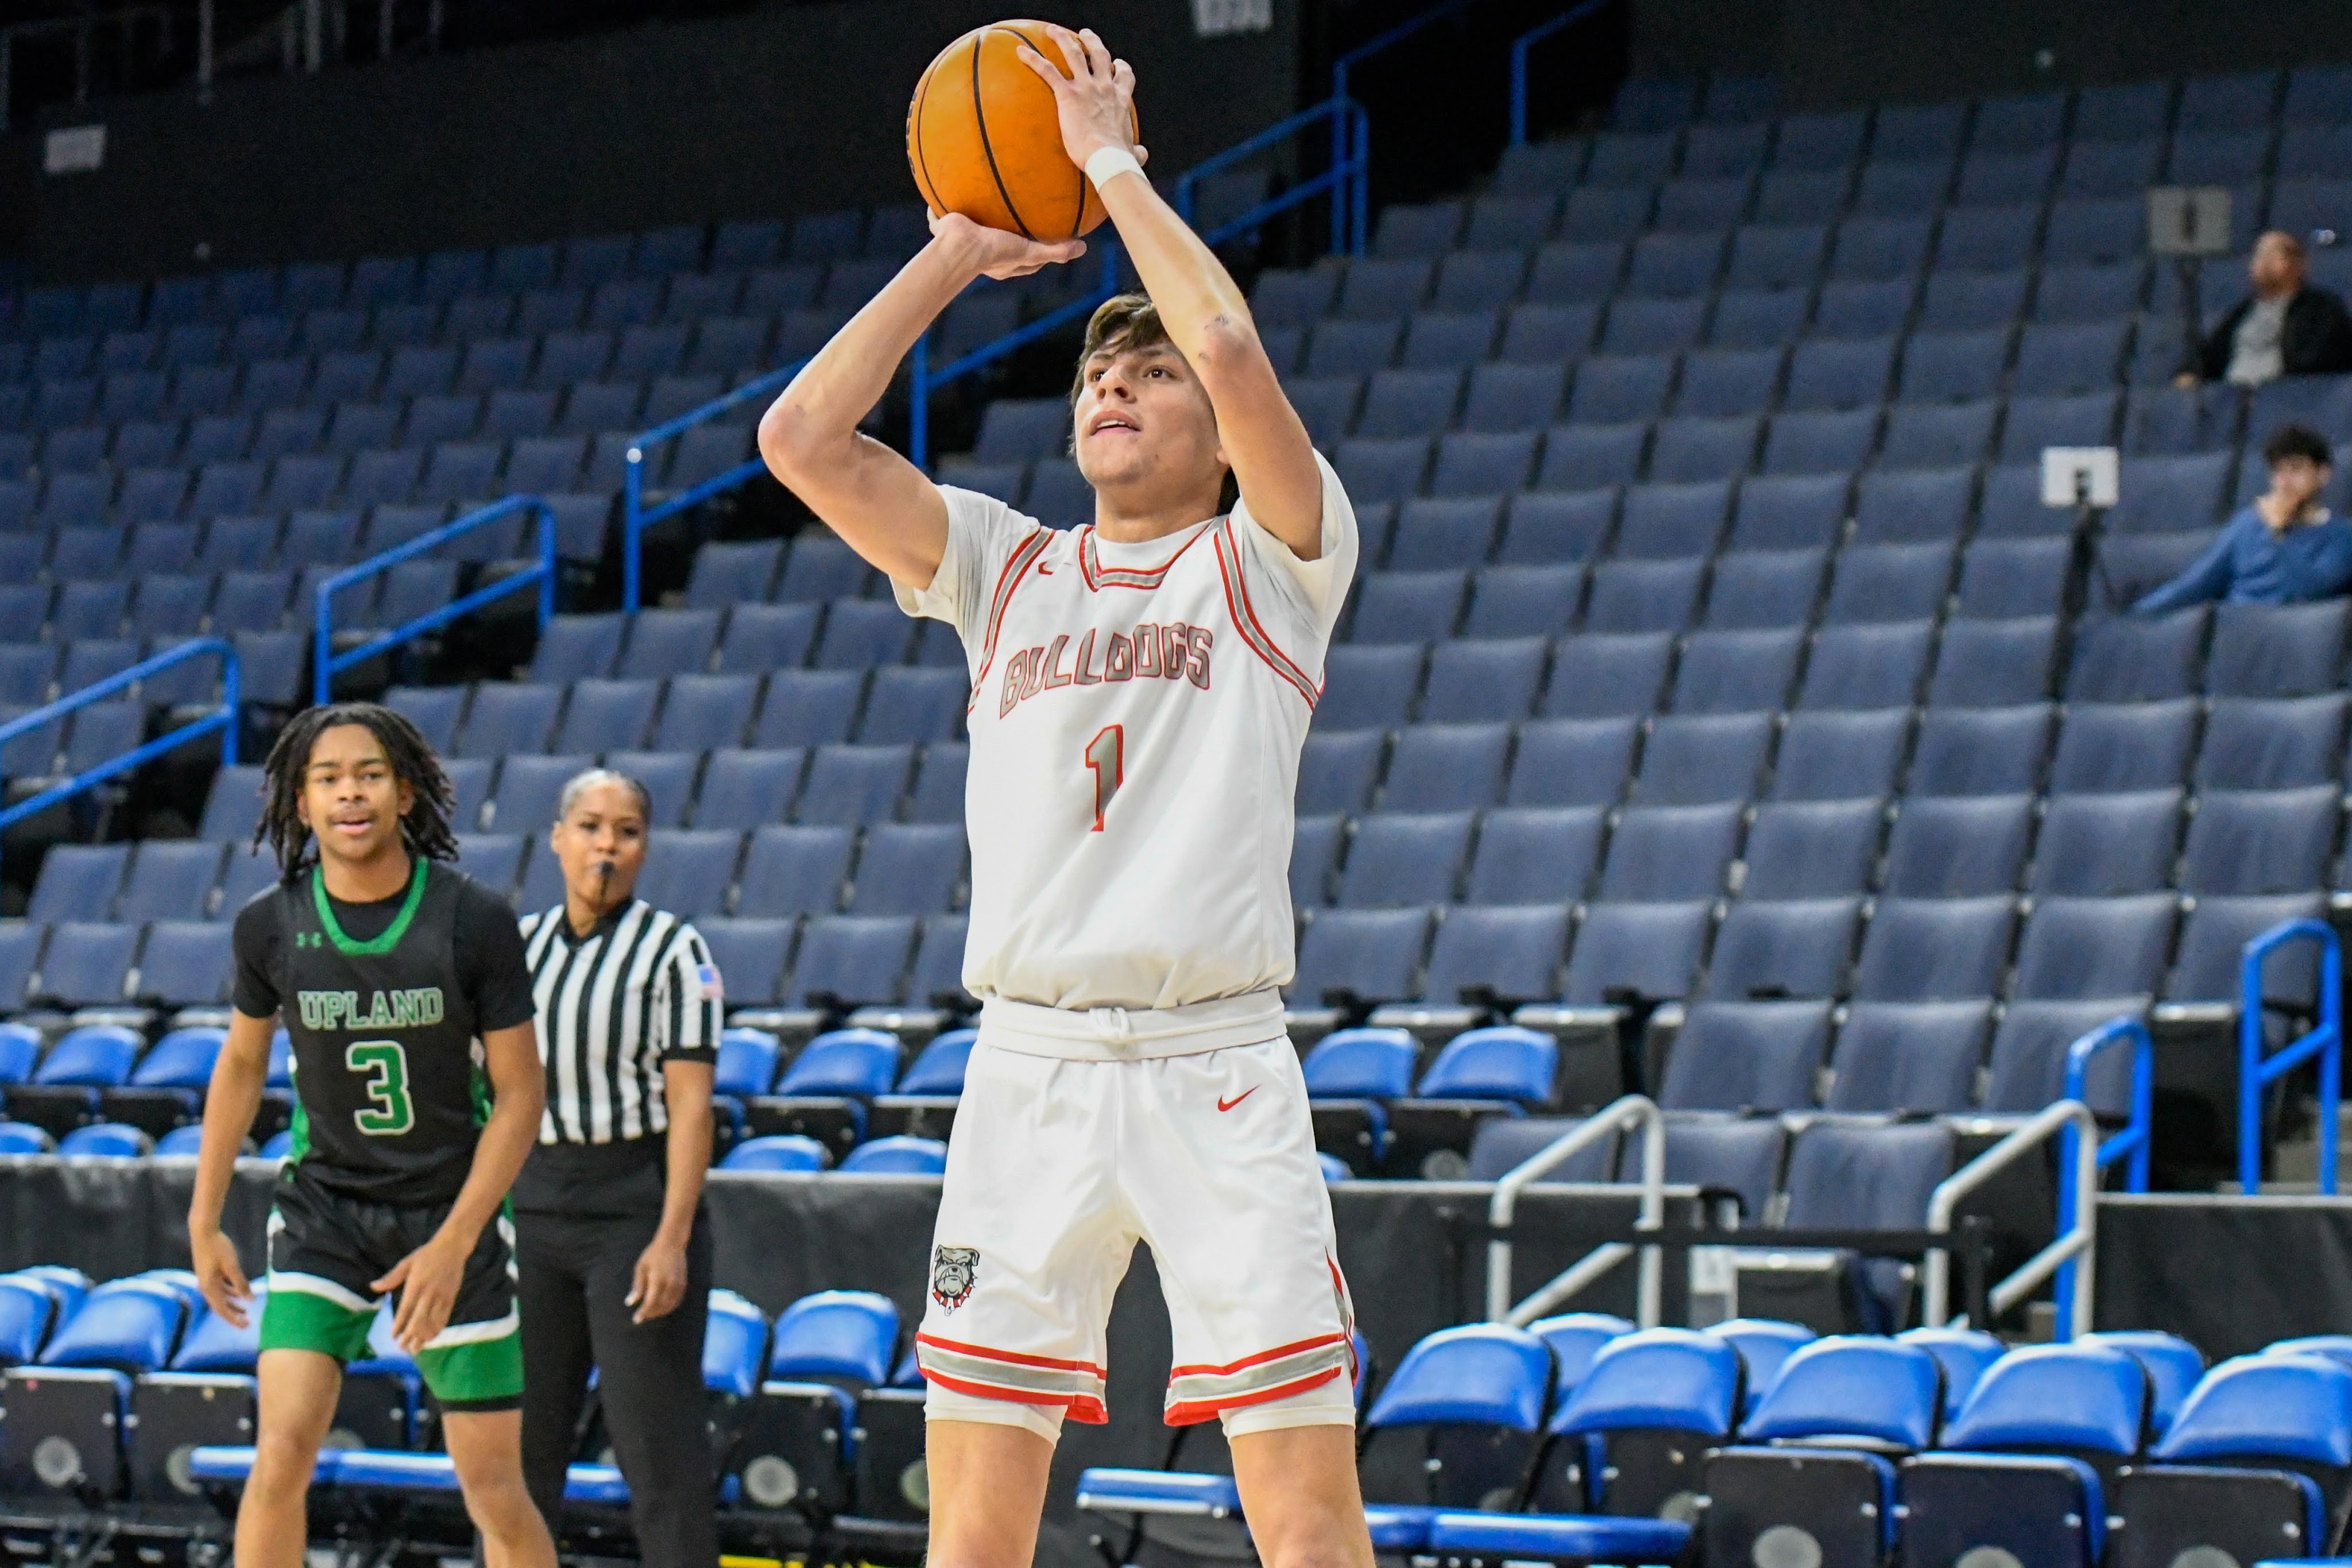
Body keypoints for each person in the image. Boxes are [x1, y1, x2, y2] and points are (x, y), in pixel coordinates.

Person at [757, 25, 1371, 1568]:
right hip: (1027, 1065)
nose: (1117, 384)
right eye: (1099, 370)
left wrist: (1109, 162)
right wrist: (958, 252)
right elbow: (799, 439)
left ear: (1214, 439)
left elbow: (1230, 346)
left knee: (1304, 1519)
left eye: (1148, 373)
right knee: (973, 1529)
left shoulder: (1274, 560)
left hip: (1215, 1061)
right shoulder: (1003, 562)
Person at [186, 702, 556, 1568]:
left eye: (369, 774)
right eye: (328, 778)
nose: (349, 792)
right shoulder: (269, 923)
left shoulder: (473, 918)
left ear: (406, 793)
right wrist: (203, 1218)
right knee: (280, 1453)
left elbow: (521, 1093)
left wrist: (456, 1242)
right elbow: (240, 1065)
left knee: (495, 1489)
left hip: (449, 1210)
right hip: (326, 1209)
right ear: (301, 801)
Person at [513, 768, 721, 1568]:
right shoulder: (519, 947)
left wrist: (671, 1237)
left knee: (657, 1451)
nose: (607, 845)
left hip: (634, 1209)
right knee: (519, 1453)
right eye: (592, 827)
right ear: (558, 839)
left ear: (645, 848)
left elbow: (692, 1107)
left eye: (627, 831)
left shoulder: (674, 950)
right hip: (534, 1208)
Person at [2134, 423, 2352, 613]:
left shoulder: (2344, 536)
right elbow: (2196, 584)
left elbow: (2309, 592)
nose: (2284, 482)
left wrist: (2275, 533)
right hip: (2236, 630)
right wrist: (2134, 618)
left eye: (2296, 469)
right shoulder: (2249, 523)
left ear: (2323, 474)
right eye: (2278, 472)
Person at [2177, 230, 2352, 388]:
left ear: (2298, 264)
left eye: (2274, 254)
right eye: (2260, 255)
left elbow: (2322, 360)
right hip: (2233, 397)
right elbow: (2210, 355)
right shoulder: (2243, 312)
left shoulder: (2320, 309)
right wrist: (2191, 374)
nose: (2264, 263)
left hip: (2285, 397)